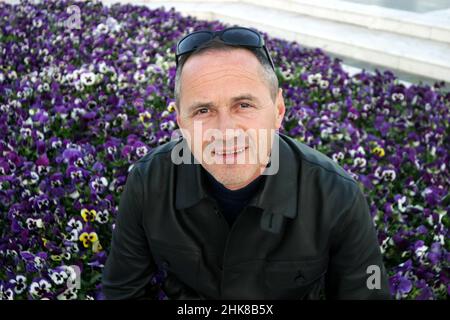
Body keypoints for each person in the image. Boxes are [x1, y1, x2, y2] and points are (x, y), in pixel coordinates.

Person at [102, 27, 391, 299]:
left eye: (244, 105)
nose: (225, 131)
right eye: (203, 110)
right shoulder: (148, 182)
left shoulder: (336, 195)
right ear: (181, 122)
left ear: (278, 111)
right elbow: (122, 291)